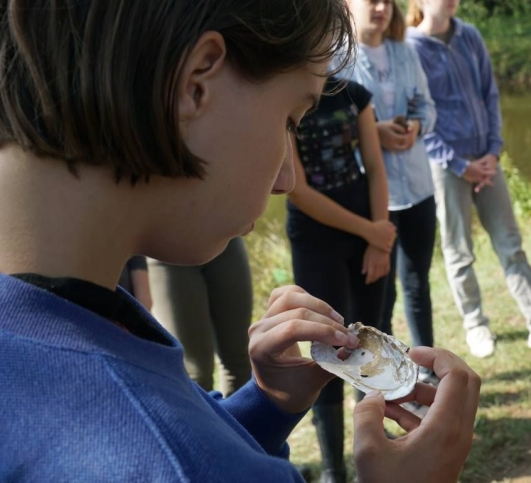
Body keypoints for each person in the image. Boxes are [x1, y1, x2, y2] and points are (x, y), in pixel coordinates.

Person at [0, 1, 481, 481]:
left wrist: (267, 408)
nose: (287, 180)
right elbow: (182, 458)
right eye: (291, 119)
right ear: (196, 82)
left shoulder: (83, 323)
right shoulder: (172, 462)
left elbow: (182, 435)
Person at [405, 0, 531, 357]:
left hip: (487, 161)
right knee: (459, 253)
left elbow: (489, 94)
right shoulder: (411, 47)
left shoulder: (470, 35)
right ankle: (476, 325)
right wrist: (458, 164)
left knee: (510, 243)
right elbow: (418, 116)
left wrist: (493, 151)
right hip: (446, 167)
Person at [287, 76, 394, 483]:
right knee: (329, 347)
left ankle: (374, 447)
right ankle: (335, 470)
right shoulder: (286, 94)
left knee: (372, 338)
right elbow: (297, 189)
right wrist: (370, 231)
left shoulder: (354, 94)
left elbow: (375, 167)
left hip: (368, 232)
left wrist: (380, 237)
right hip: (316, 239)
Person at [343, 0, 438, 384]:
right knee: (378, 302)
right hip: (373, 199)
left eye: (387, 1)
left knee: (419, 283)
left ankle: (428, 371)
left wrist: (415, 126)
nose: (381, 8)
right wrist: (372, 133)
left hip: (417, 187)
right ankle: (380, 381)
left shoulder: (405, 51)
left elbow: (427, 107)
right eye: (371, 1)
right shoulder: (338, 60)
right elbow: (326, 130)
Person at [148, 237, 253, 396]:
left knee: (240, 361)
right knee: (196, 373)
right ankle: (207, 420)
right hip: (165, 253)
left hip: (224, 237)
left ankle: (240, 420)